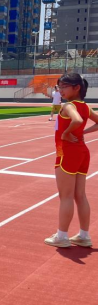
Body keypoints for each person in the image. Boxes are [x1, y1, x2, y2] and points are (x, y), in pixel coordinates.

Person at [45, 73, 97, 248]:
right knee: (80, 195)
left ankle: (62, 236)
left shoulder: (68, 106)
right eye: (59, 87)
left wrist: (67, 133)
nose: (61, 90)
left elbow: (76, 120)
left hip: (67, 153)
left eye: (64, 87)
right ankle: (84, 235)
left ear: (77, 88)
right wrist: (83, 132)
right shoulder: (85, 106)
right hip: (82, 152)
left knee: (65, 196)